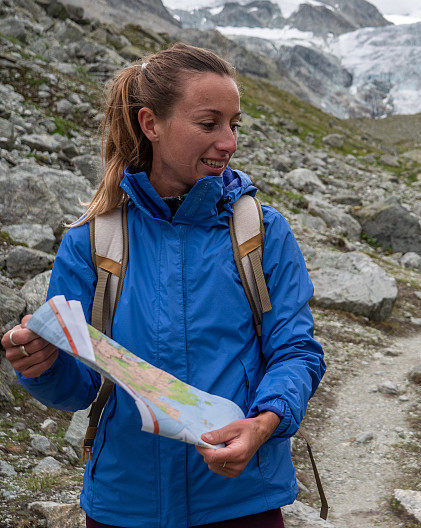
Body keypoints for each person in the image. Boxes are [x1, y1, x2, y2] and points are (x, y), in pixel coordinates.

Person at [1, 42, 325, 528]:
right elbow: (79, 386)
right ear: (151, 124)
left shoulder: (260, 231)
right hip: (124, 503)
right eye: (209, 123)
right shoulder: (93, 239)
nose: (229, 142)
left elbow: (296, 351)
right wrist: (41, 366)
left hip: (241, 501)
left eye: (234, 125)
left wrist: (263, 425)